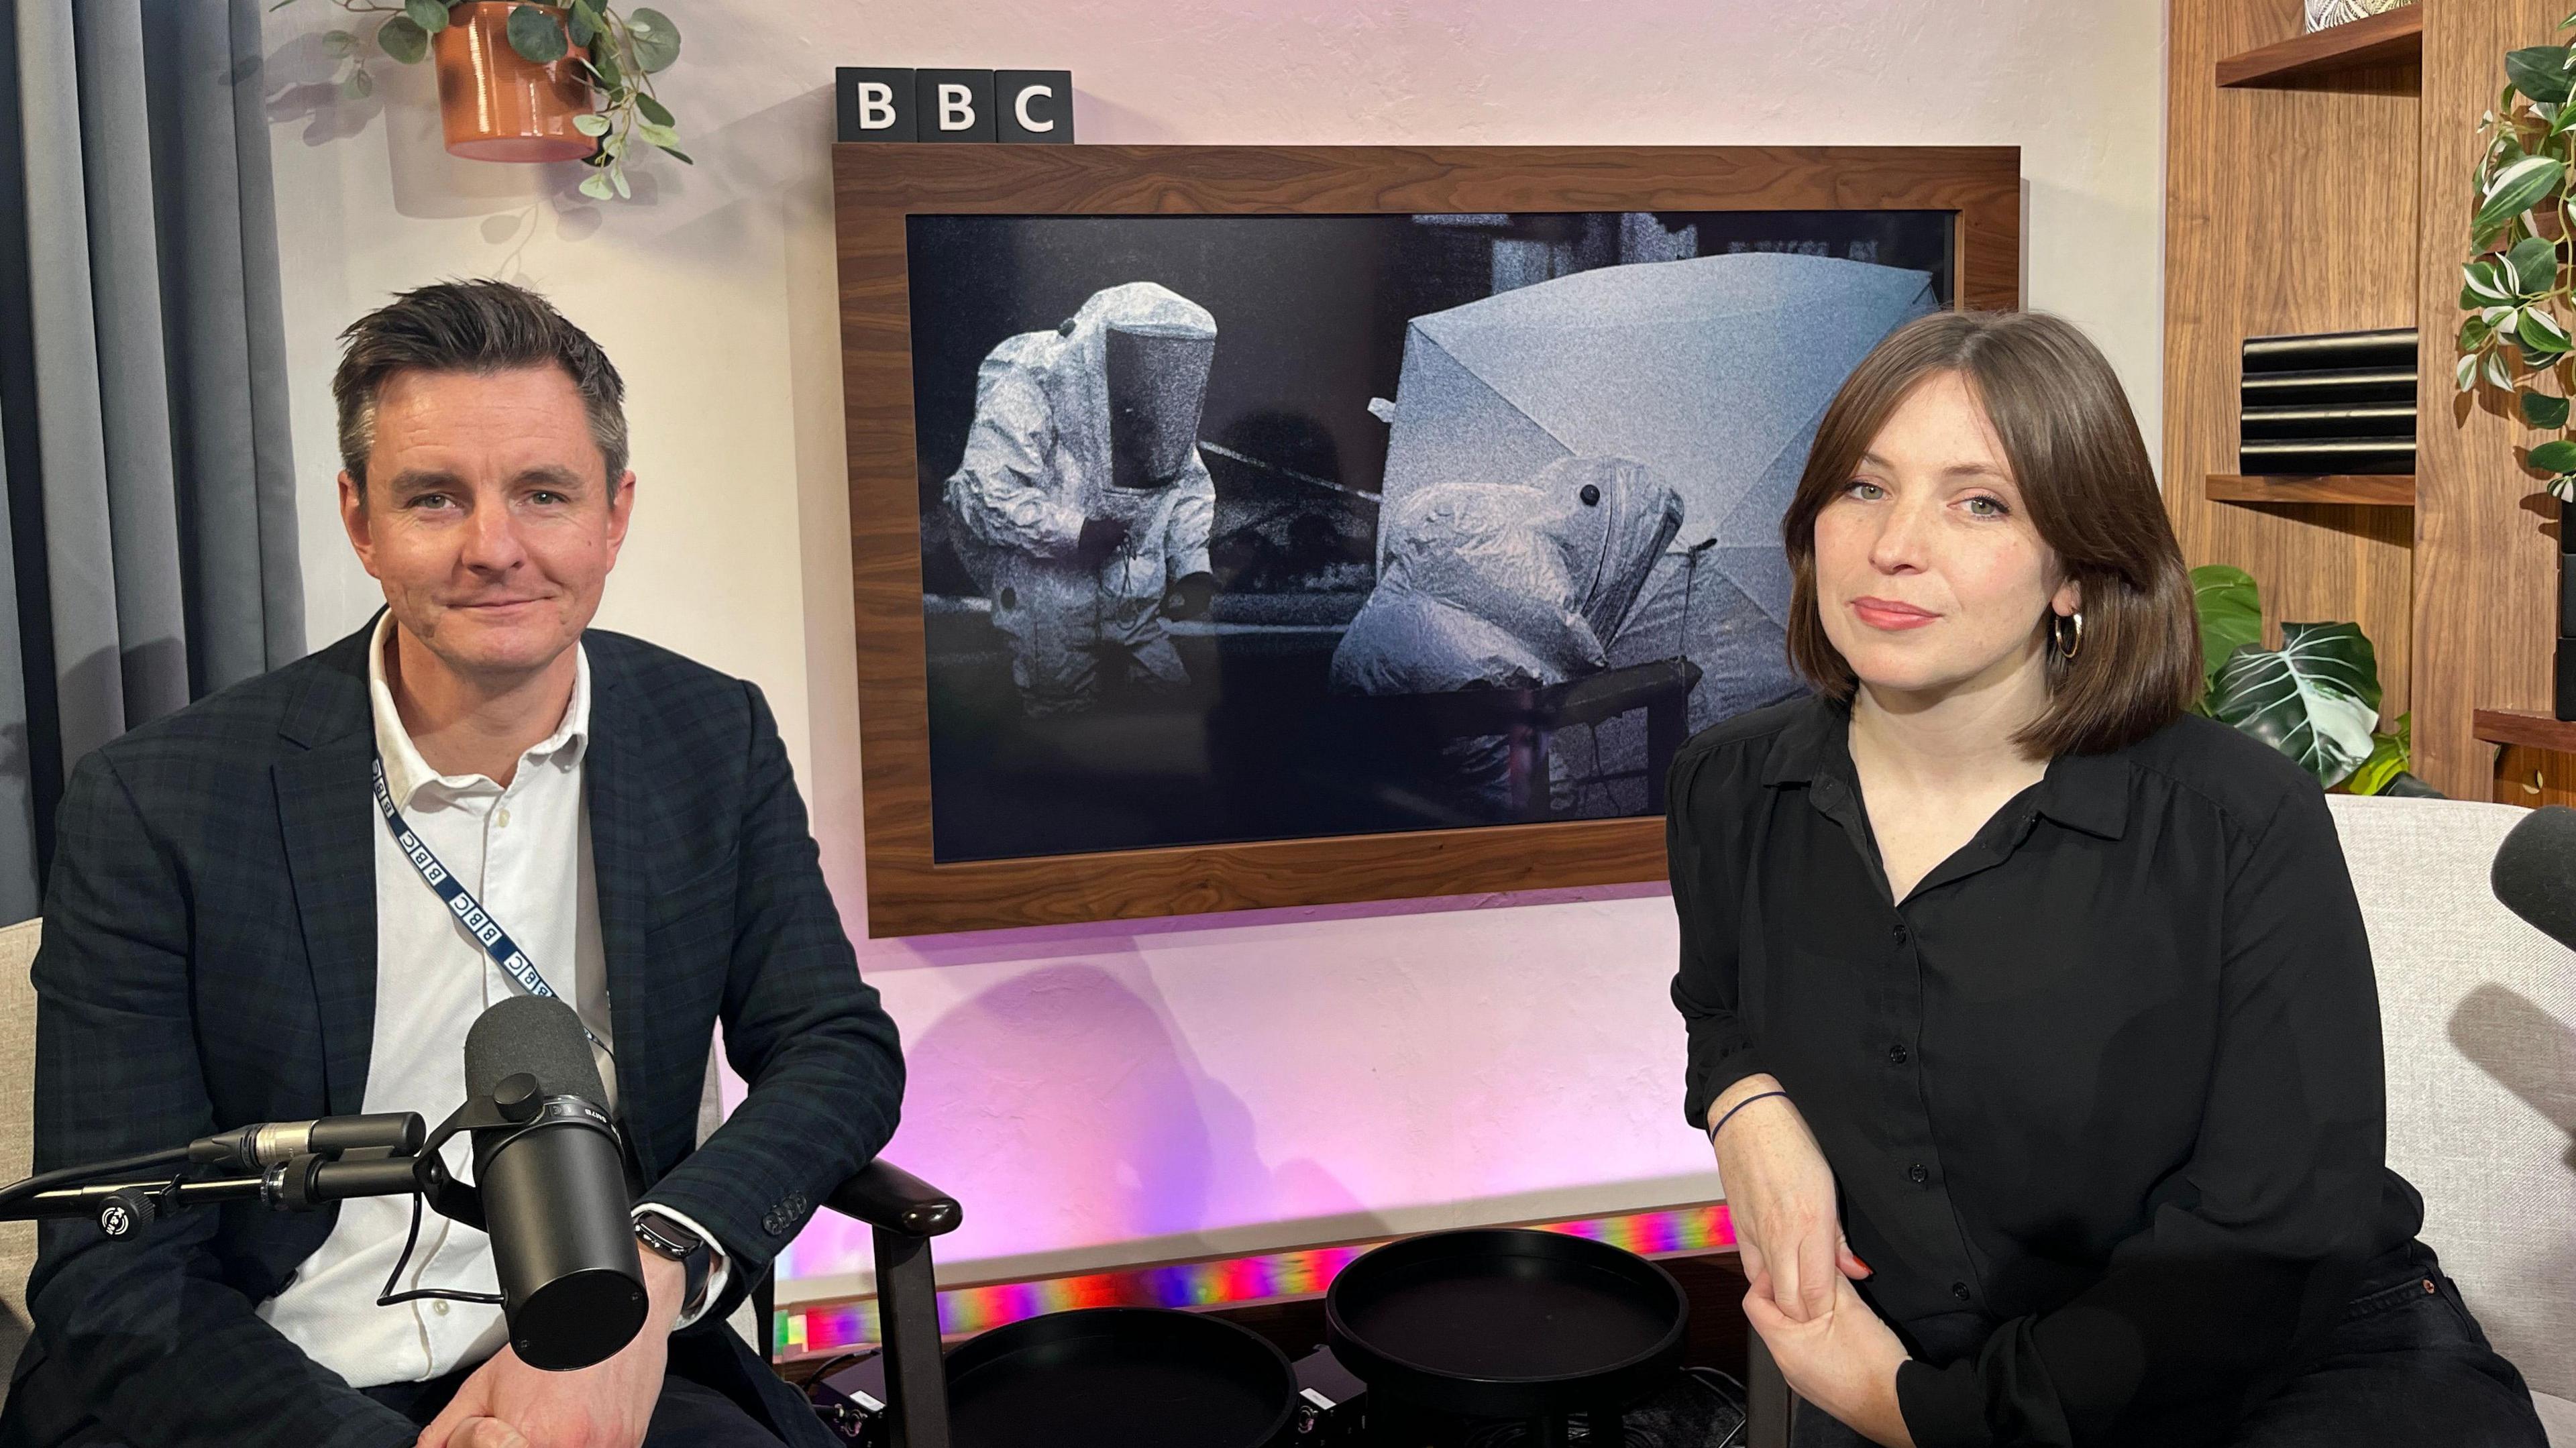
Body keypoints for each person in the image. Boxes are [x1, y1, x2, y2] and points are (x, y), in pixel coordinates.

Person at [0, 280, 902, 1448]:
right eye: (435, 497)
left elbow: (837, 1047)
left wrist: (664, 1256)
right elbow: (114, 1260)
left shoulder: (707, 734)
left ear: (615, 513)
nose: (495, 547)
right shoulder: (160, 799)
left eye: (544, 493)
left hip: (607, 1344)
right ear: (360, 519)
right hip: (259, 1375)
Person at [1666, 311, 2546, 1447]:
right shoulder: (1729, 787)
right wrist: (1748, 1107)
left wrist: (1921, 1413)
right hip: (1939, 1363)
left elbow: (2261, 1239)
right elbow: (1719, 1000)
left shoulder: (2233, 817)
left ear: (2076, 568)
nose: (1895, 545)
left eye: (1978, 502)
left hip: (2282, 1370)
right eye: (1863, 488)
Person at [943, 280, 1220, 715]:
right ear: (1099, 345)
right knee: (1062, 714)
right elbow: (983, 494)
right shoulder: (1029, 387)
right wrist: (1075, 531)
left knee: (1172, 710)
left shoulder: (1154, 411)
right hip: (1051, 594)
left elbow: (1186, 485)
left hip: (1133, 600)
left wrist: (1191, 569)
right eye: (1138, 352)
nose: (1149, 366)